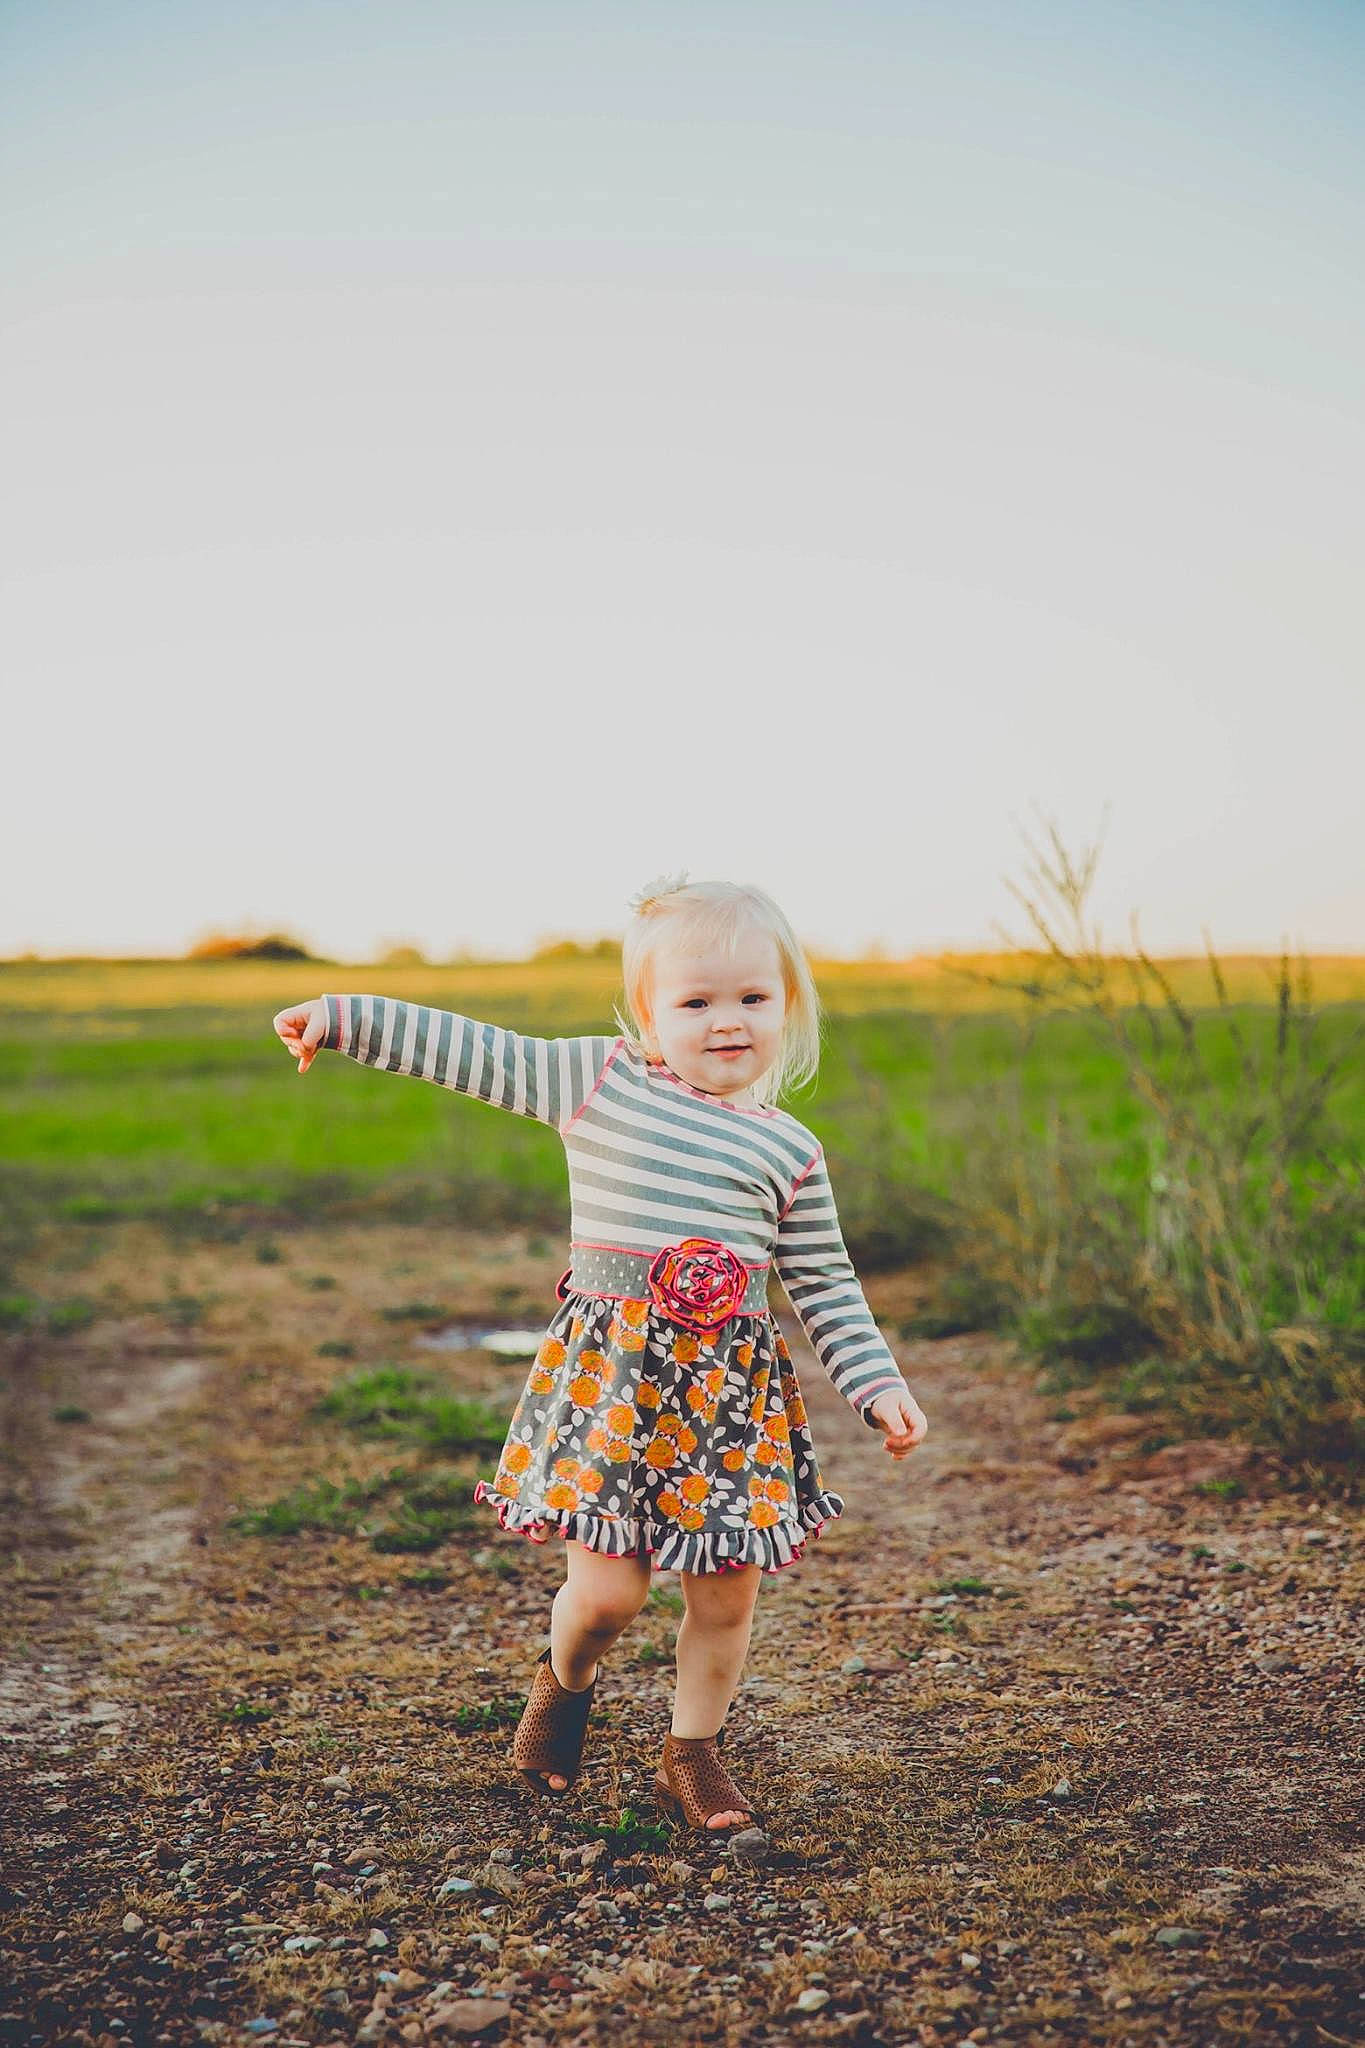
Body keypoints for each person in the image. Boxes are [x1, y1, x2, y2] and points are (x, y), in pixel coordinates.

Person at [272, 873, 928, 1833]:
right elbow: (470, 1051)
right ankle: (564, 1680)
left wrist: (877, 1388)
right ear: (647, 1013)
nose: (726, 1021)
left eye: (752, 997)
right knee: (607, 1595)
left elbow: (825, 1283)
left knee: (725, 1596)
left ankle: (691, 1756)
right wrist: (339, 1016)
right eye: (695, 1001)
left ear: (789, 1004)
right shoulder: (601, 1082)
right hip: (614, 1388)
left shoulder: (791, 1150)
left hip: (727, 1408)